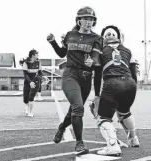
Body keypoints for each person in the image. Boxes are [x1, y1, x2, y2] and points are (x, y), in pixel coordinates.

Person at [47, 6, 103, 155]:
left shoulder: (97, 38)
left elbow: (96, 57)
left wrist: (93, 61)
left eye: (91, 19)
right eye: (85, 19)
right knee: (78, 108)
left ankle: (62, 127)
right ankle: (79, 143)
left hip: (85, 78)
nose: (88, 22)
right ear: (78, 20)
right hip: (70, 75)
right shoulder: (70, 35)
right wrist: (52, 42)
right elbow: (61, 53)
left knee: (73, 110)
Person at [91, 25, 139, 156]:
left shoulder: (100, 51)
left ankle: (112, 146)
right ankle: (133, 138)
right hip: (130, 83)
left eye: (108, 35)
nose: (108, 36)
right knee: (124, 112)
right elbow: (134, 74)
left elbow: (97, 74)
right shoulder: (128, 50)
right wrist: (133, 87)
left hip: (112, 83)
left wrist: (96, 95)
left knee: (103, 118)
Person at [20, 49, 42, 117]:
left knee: (31, 97)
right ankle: (26, 107)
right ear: (33, 55)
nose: (38, 55)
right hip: (27, 82)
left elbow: (40, 73)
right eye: (36, 54)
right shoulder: (26, 63)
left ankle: (31, 112)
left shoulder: (38, 62)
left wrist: (36, 80)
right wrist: (30, 82)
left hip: (35, 82)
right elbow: (25, 74)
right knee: (26, 98)